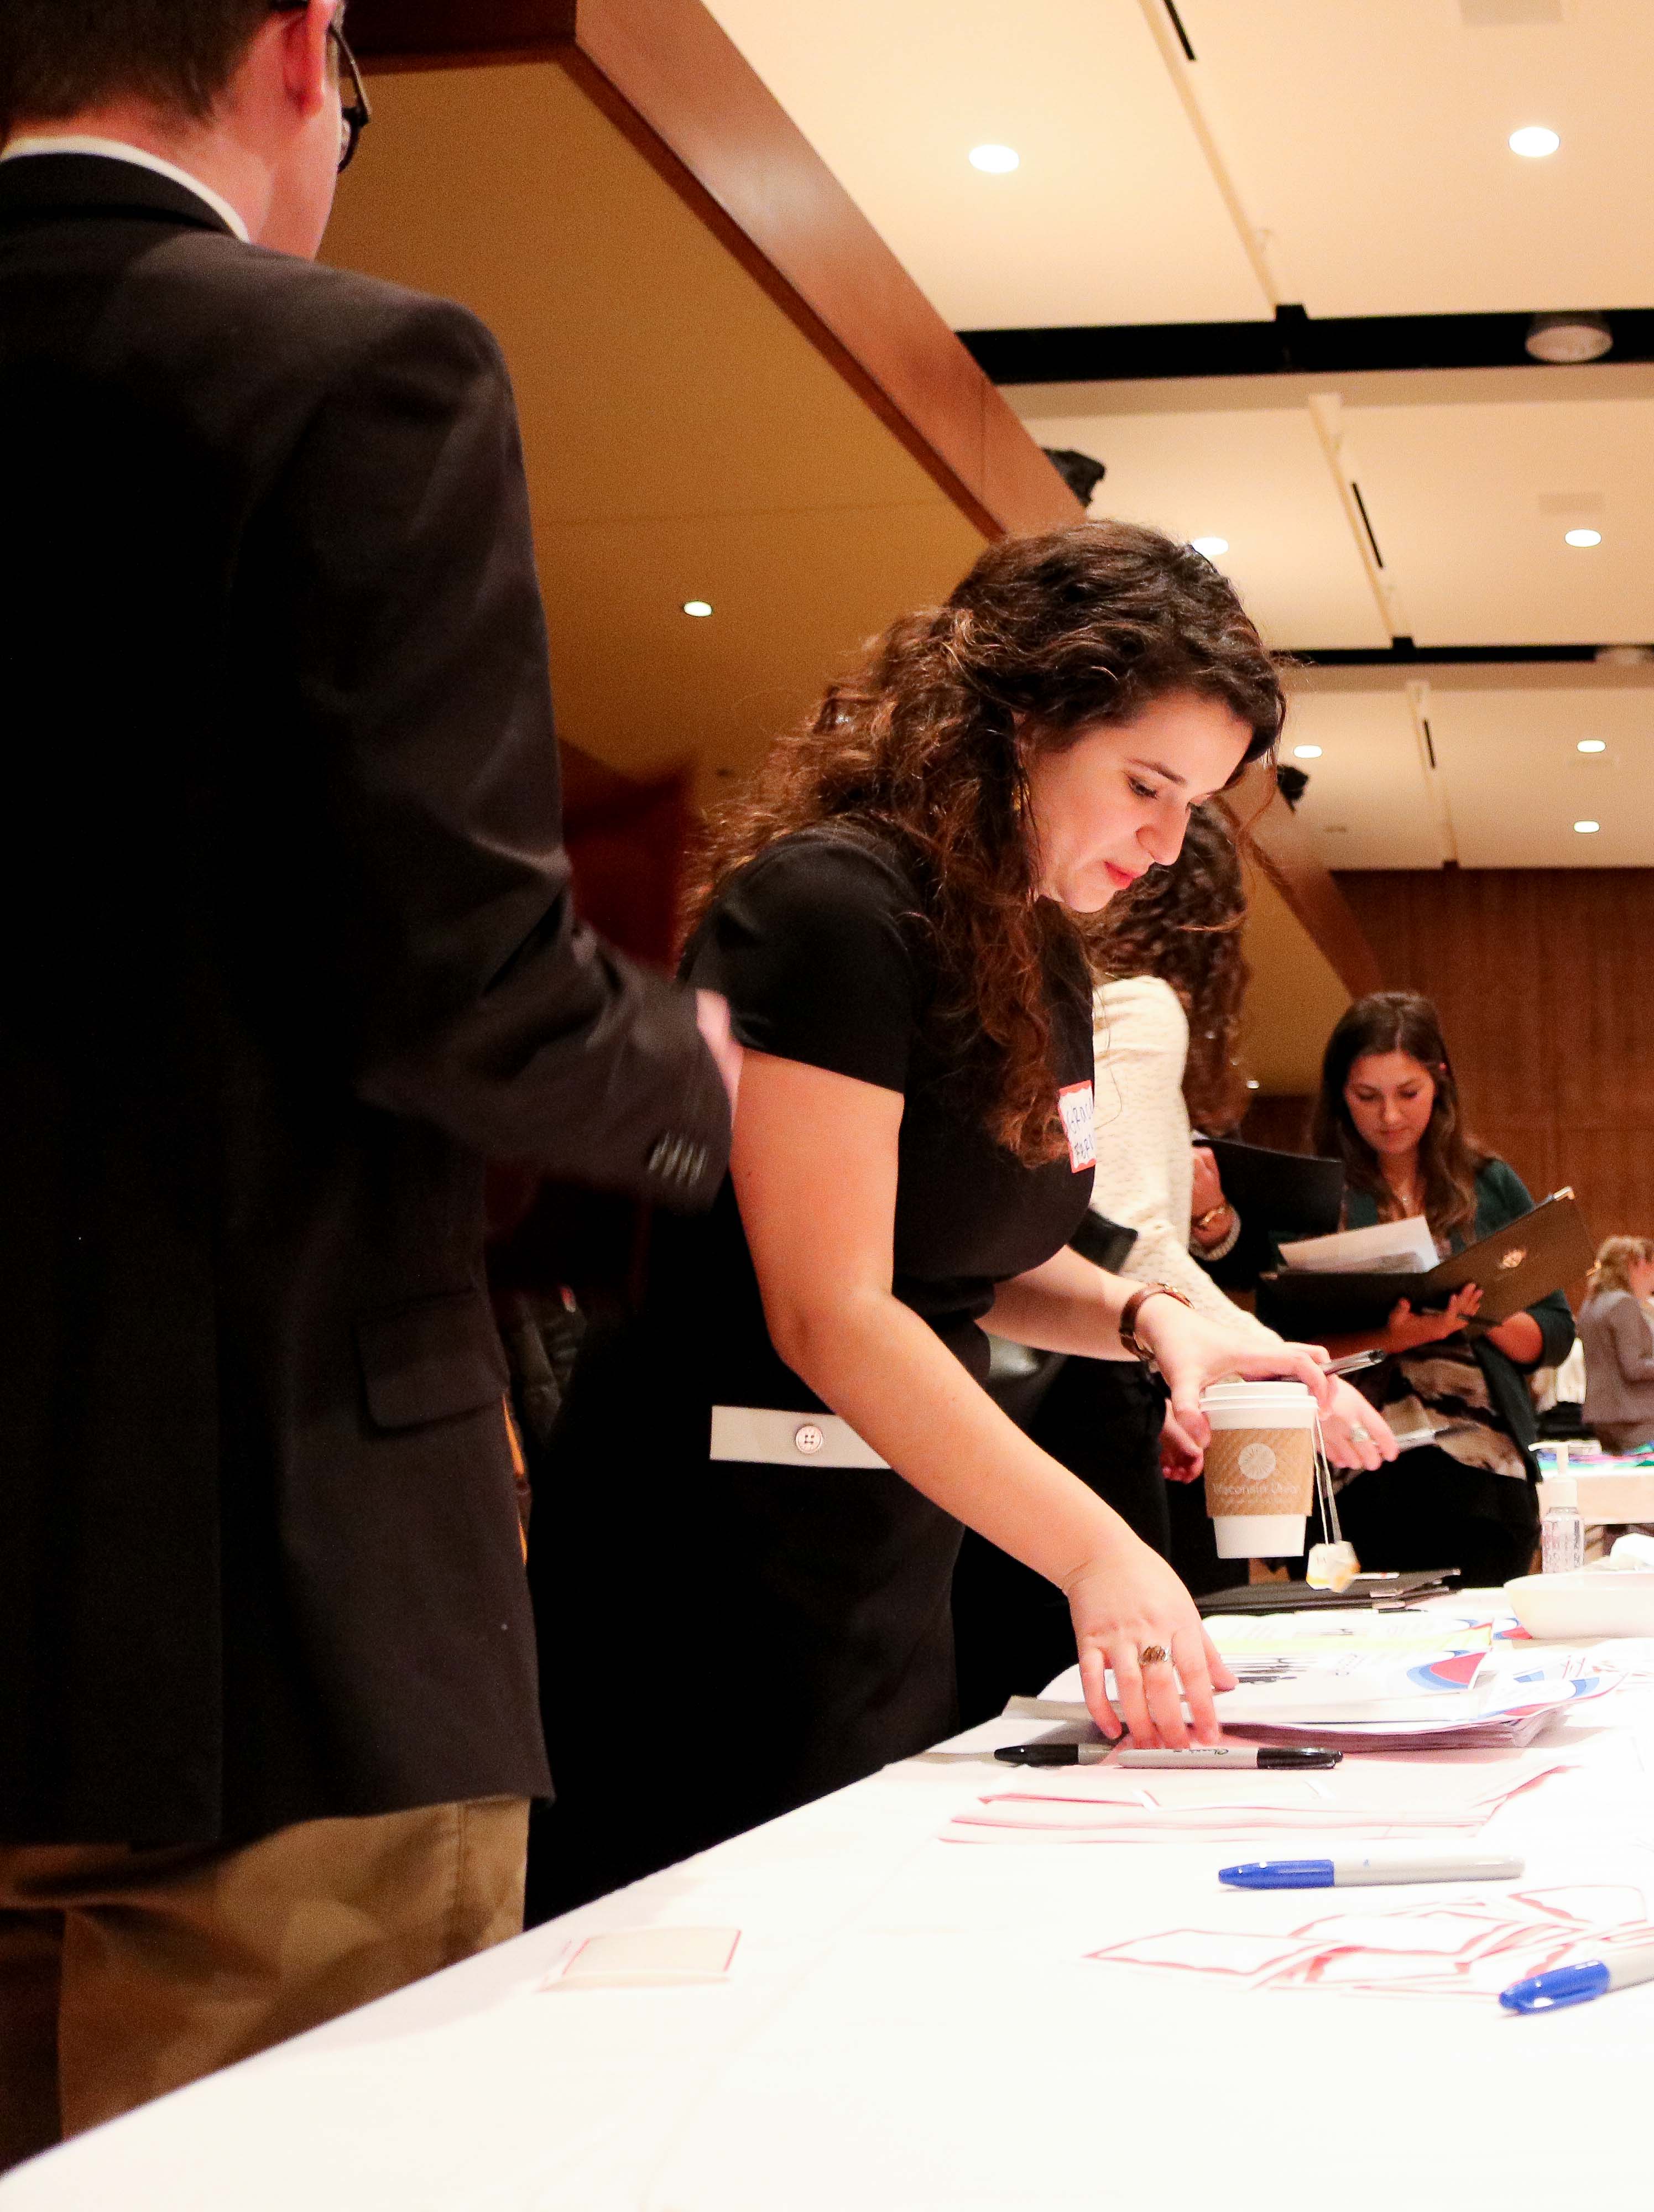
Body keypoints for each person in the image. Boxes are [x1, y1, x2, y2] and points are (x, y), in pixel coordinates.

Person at [0, 2, 738, 2162]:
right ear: (303, 50)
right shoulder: (341, 369)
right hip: (271, 1585)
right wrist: (695, 1074)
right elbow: (464, 992)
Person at [524, 524, 1395, 1920]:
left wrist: (1155, 1314)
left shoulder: (1027, 943)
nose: (1168, 843)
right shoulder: (830, 909)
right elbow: (835, 1302)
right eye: (1144, 785)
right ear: (1017, 724)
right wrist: (1098, 1547)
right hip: (716, 1558)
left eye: (1197, 805)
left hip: (876, 1543)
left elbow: (970, 1254)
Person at [953, 799, 1280, 1715]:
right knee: (1111, 1698)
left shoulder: (1052, 1001)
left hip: (1047, 1362)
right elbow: (1131, 1229)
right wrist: (1251, 1352)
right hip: (1080, 1384)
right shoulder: (1138, 1005)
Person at [1295, 992, 1568, 1585]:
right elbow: (1288, 1348)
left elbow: (1553, 1335)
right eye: (1367, 1096)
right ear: (1340, 1093)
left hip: (1486, 1468)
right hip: (1360, 1472)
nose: (1390, 1116)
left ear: (1440, 1081)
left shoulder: (1489, 1182)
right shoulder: (1318, 1191)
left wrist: (1475, 1314)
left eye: (1408, 1093)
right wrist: (1396, 1336)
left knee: (1488, 1648)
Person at [1576, 1236, 1654, 1452]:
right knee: (1646, 1482)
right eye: (1642, 1265)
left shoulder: (1591, 1304)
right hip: (1633, 1415)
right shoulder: (1623, 1303)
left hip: (1602, 1416)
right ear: (1631, 1265)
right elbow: (1633, 1367)